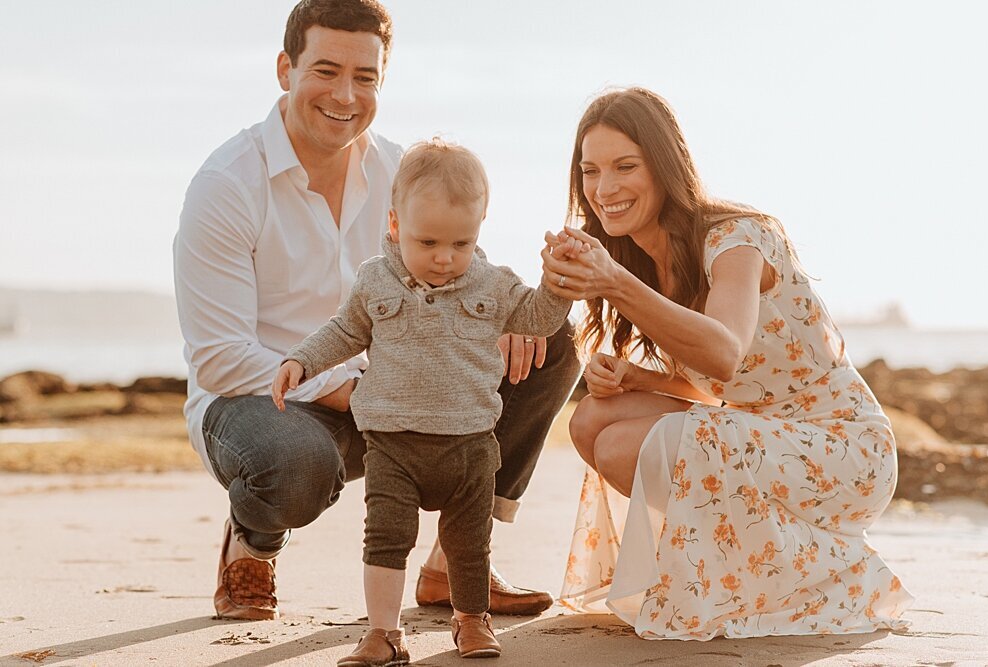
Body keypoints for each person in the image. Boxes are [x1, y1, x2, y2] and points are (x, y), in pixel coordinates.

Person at [173, 0, 580, 623]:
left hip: (393, 398)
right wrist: (345, 387)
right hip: (260, 403)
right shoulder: (227, 184)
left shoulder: (400, 171)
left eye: (366, 78)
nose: (346, 94)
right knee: (293, 466)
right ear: (286, 69)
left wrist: (507, 317)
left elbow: (466, 269)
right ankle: (253, 542)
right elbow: (219, 360)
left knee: (547, 344)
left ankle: (454, 562)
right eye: (326, 70)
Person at [542, 87, 913, 640]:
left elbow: (724, 351)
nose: (605, 188)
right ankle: (763, 567)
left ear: (666, 166)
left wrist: (614, 283)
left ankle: (831, 566)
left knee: (624, 444)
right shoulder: (641, 260)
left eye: (625, 166)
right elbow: (726, 391)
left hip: (844, 448)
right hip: (766, 434)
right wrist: (639, 376)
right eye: (590, 171)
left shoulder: (737, 239)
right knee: (592, 419)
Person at [272, 139, 576, 664]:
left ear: (481, 226)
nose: (444, 258)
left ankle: (470, 620)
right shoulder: (375, 280)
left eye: (461, 243)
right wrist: (301, 360)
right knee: (386, 539)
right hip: (393, 443)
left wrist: (557, 284)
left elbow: (538, 319)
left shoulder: (493, 284)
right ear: (394, 224)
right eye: (428, 241)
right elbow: (345, 331)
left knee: (468, 543)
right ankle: (384, 633)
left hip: (469, 445)